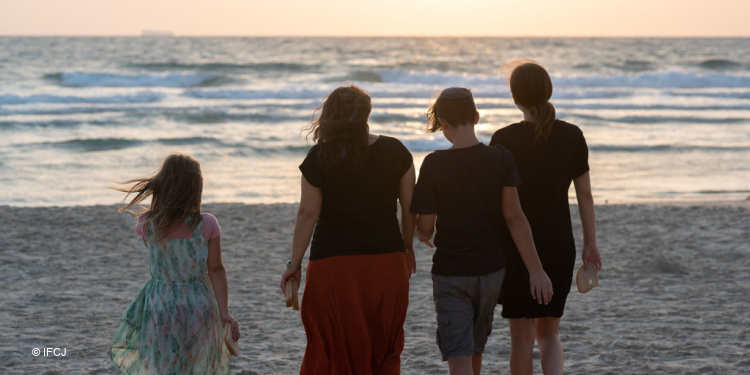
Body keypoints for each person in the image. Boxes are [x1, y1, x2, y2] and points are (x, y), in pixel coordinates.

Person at [411, 87, 553, 375]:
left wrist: (422, 233)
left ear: (443, 122)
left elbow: (425, 226)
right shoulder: (500, 157)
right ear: (476, 117)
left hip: (452, 272)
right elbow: (514, 216)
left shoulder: (434, 163)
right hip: (491, 272)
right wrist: (536, 270)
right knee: (474, 349)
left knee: (459, 355)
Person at [280, 85, 417, 374]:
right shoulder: (396, 151)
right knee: (385, 347)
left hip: (331, 265)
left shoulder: (319, 156)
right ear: (366, 115)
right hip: (386, 262)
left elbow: (308, 214)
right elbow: (408, 207)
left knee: (331, 346)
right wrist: (407, 248)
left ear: (330, 116)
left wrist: (294, 264)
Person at [490, 60, 603, 375]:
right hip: (558, 245)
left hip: (516, 249)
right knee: (549, 334)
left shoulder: (503, 138)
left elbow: (496, 202)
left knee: (521, 339)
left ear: (515, 98)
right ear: (548, 90)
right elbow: (585, 196)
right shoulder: (572, 135)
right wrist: (590, 243)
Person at [110, 153, 240, 374]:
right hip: (199, 303)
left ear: (163, 184)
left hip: (160, 302)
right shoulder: (207, 223)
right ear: (195, 188)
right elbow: (216, 269)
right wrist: (224, 311)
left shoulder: (148, 223)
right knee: (196, 362)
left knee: (161, 361)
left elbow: (161, 260)